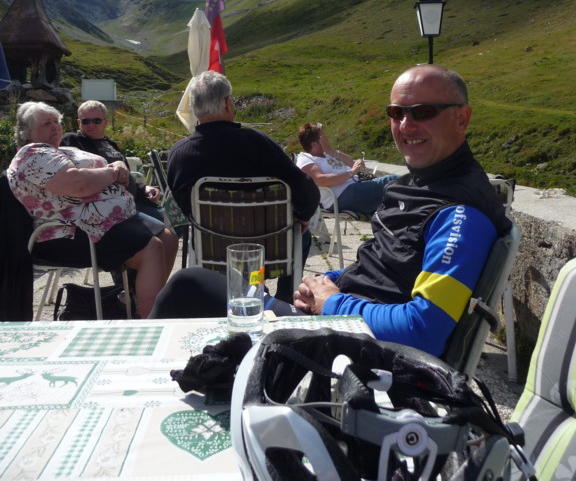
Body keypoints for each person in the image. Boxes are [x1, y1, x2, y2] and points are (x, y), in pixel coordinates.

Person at [149, 66, 510, 360]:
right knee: (191, 286)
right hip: (334, 316)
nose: (405, 125)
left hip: (354, 349)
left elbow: (424, 332)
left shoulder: (461, 214)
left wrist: (332, 300)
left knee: (187, 285)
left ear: (462, 118)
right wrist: (322, 282)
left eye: (423, 112)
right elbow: (378, 264)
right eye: (396, 113)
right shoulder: (415, 186)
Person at [7, 101, 178, 318]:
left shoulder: (58, 151)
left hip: (101, 221)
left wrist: (118, 166)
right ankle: (149, 319)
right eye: (46, 123)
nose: (55, 127)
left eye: (56, 122)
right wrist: (113, 172)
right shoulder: (33, 154)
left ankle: (139, 299)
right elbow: (78, 184)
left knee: (168, 239)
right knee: (152, 248)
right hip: (69, 231)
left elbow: (99, 171)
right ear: (27, 132)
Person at [166, 70, 320, 302]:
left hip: (213, 253)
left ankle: (234, 291)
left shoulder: (179, 155)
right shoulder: (258, 143)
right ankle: (285, 299)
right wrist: (303, 215)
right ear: (228, 103)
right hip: (269, 249)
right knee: (301, 235)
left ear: (195, 108)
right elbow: (306, 190)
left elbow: (186, 208)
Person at [60, 100, 163, 225]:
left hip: (134, 200)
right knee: (163, 226)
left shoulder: (111, 144)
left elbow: (126, 175)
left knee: (172, 219)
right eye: (86, 121)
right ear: (78, 122)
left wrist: (143, 187)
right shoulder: (71, 141)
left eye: (96, 121)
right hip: (109, 207)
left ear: (105, 122)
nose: (91, 125)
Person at [295, 123, 396, 217]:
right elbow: (321, 180)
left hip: (355, 187)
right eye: (324, 138)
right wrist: (351, 173)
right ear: (314, 144)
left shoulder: (327, 153)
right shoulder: (305, 159)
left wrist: (331, 151)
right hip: (341, 197)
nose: (327, 140)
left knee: (395, 196)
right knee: (390, 181)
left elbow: (352, 164)